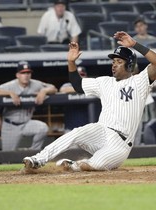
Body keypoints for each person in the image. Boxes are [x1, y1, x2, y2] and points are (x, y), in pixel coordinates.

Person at [22, 31, 156, 172]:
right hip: (101, 131)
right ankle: (38, 159)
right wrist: (71, 62)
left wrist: (134, 44)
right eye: (113, 61)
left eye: (119, 61)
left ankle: (75, 165)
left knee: (95, 165)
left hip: (120, 143)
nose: (114, 65)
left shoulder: (140, 81)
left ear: (129, 65)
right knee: (76, 133)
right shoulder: (104, 82)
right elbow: (77, 85)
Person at [0, 61, 57, 151]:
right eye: (23, 73)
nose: (26, 75)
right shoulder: (10, 85)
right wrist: (9, 93)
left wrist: (43, 91)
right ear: (17, 75)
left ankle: (33, 153)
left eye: (28, 73)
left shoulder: (36, 84)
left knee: (43, 128)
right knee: (7, 157)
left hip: (26, 124)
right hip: (10, 126)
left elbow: (54, 88)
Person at [59, 66, 89, 132]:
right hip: (70, 128)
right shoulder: (68, 85)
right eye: (77, 75)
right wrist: (82, 88)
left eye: (82, 74)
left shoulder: (91, 85)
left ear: (86, 76)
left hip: (88, 128)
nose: (79, 77)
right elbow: (62, 89)